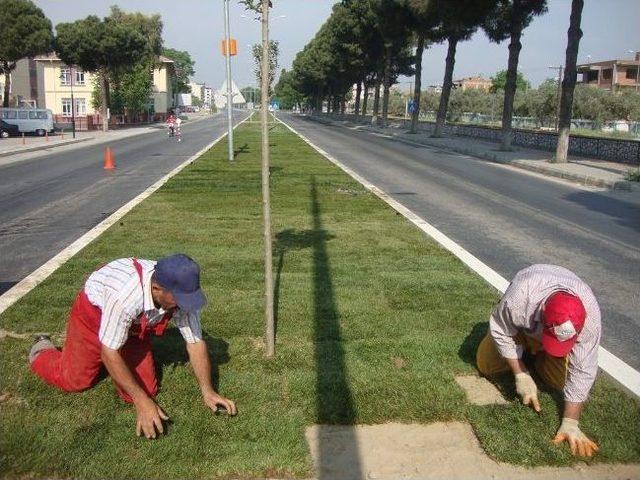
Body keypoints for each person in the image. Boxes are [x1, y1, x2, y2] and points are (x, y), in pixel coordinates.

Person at [29, 254, 237, 439]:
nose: (185, 305)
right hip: (94, 316)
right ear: (156, 289)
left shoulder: (180, 293)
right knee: (75, 380)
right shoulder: (125, 297)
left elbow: (195, 342)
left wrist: (208, 391)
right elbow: (109, 351)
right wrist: (142, 403)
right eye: (180, 299)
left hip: (135, 327)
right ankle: (41, 348)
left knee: (147, 389)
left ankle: (111, 359)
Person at [476, 264, 601, 457]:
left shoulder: (589, 317)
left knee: (558, 382)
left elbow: (584, 368)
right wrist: (520, 374)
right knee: (487, 365)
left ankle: (537, 354)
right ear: (543, 308)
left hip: (543, 336)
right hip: (518, 330)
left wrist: (571, 422)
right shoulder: (521, 296)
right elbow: (501, 331)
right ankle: (523, 350)